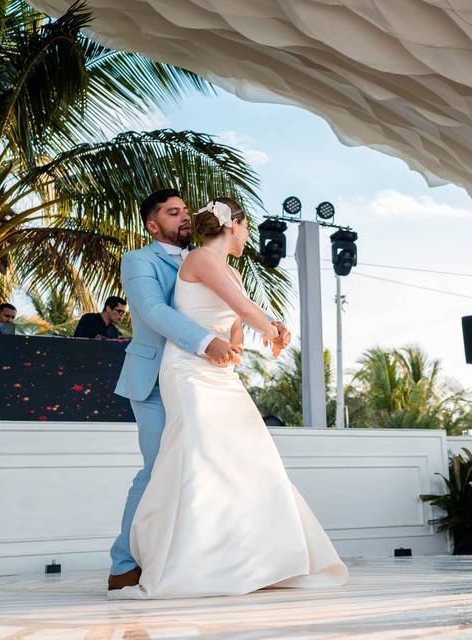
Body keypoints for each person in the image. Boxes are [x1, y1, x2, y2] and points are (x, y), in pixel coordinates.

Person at [110, 195, 345, 599]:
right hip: (159, 377)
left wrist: (238, 337)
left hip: (207, 372)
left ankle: (223, 555)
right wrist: (206, 342)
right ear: (152, 226)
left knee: (216, 465)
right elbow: (153, 312)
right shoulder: (140, 261)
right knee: (158, 470)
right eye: (172, 213)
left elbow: (231, 312)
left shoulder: (213, 261)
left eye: (186, 210)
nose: (183, 216)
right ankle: (125, 565)